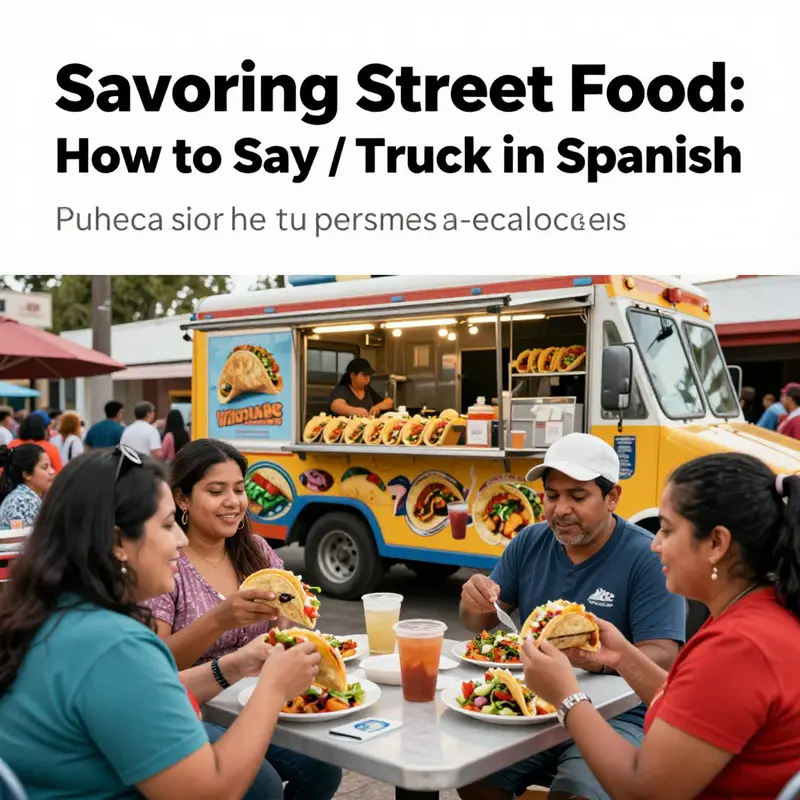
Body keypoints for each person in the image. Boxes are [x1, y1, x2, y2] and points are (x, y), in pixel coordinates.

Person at [0, 447, 325, 800]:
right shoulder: (114, 645)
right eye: (167, 525)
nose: (181, 541)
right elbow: (210, 794)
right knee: (262, 786)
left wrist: (231, 666)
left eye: (239, 488)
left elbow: (138, 689)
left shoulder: (55, 614)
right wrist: (274, 688)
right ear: (116, 541)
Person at [520, 452, 800, 800]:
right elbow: (691, 708)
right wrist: (622, 655)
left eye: (666, 530)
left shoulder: (739, 647)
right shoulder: (756, 611)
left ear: (717, 543)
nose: (655, 544)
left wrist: (566, 696)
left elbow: (643, 789)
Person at [457, 433, 686, 800]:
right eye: (552, 495)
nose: (561, 509)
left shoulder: (646, 557)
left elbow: (663, 653)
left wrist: (595, 660)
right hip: (533, 706)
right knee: (470, 774)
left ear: (612, 498)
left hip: (620, 715)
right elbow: (477, 625)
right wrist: (475, 603)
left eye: (577, 496)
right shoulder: (530, 541)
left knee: (577, 794)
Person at [142, 438, 342, 799]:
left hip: (260, 696)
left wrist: (284, 626)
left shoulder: (257, 550)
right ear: (182, 498)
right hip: (198, 707)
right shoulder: (169, 563)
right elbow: (157, 664)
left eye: (239, 489)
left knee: (322, 766)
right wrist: (218, 620)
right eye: (216, 491)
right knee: (260, 784)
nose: (233, 502)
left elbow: (287, 619)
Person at [0, 444, 55, 529]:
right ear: (26, 474)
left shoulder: (28, 497)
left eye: (50, 466)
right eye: (45, 467)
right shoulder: (22, 502)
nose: (52, 471)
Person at [328, 357, 393, 418]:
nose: (368, 379)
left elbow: (389, 402)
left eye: (369, 375)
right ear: (352, 375)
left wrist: (378, 407)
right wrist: (354, 411)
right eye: (364, 375)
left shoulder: (368, 390)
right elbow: (335, 405)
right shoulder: (342, 389)